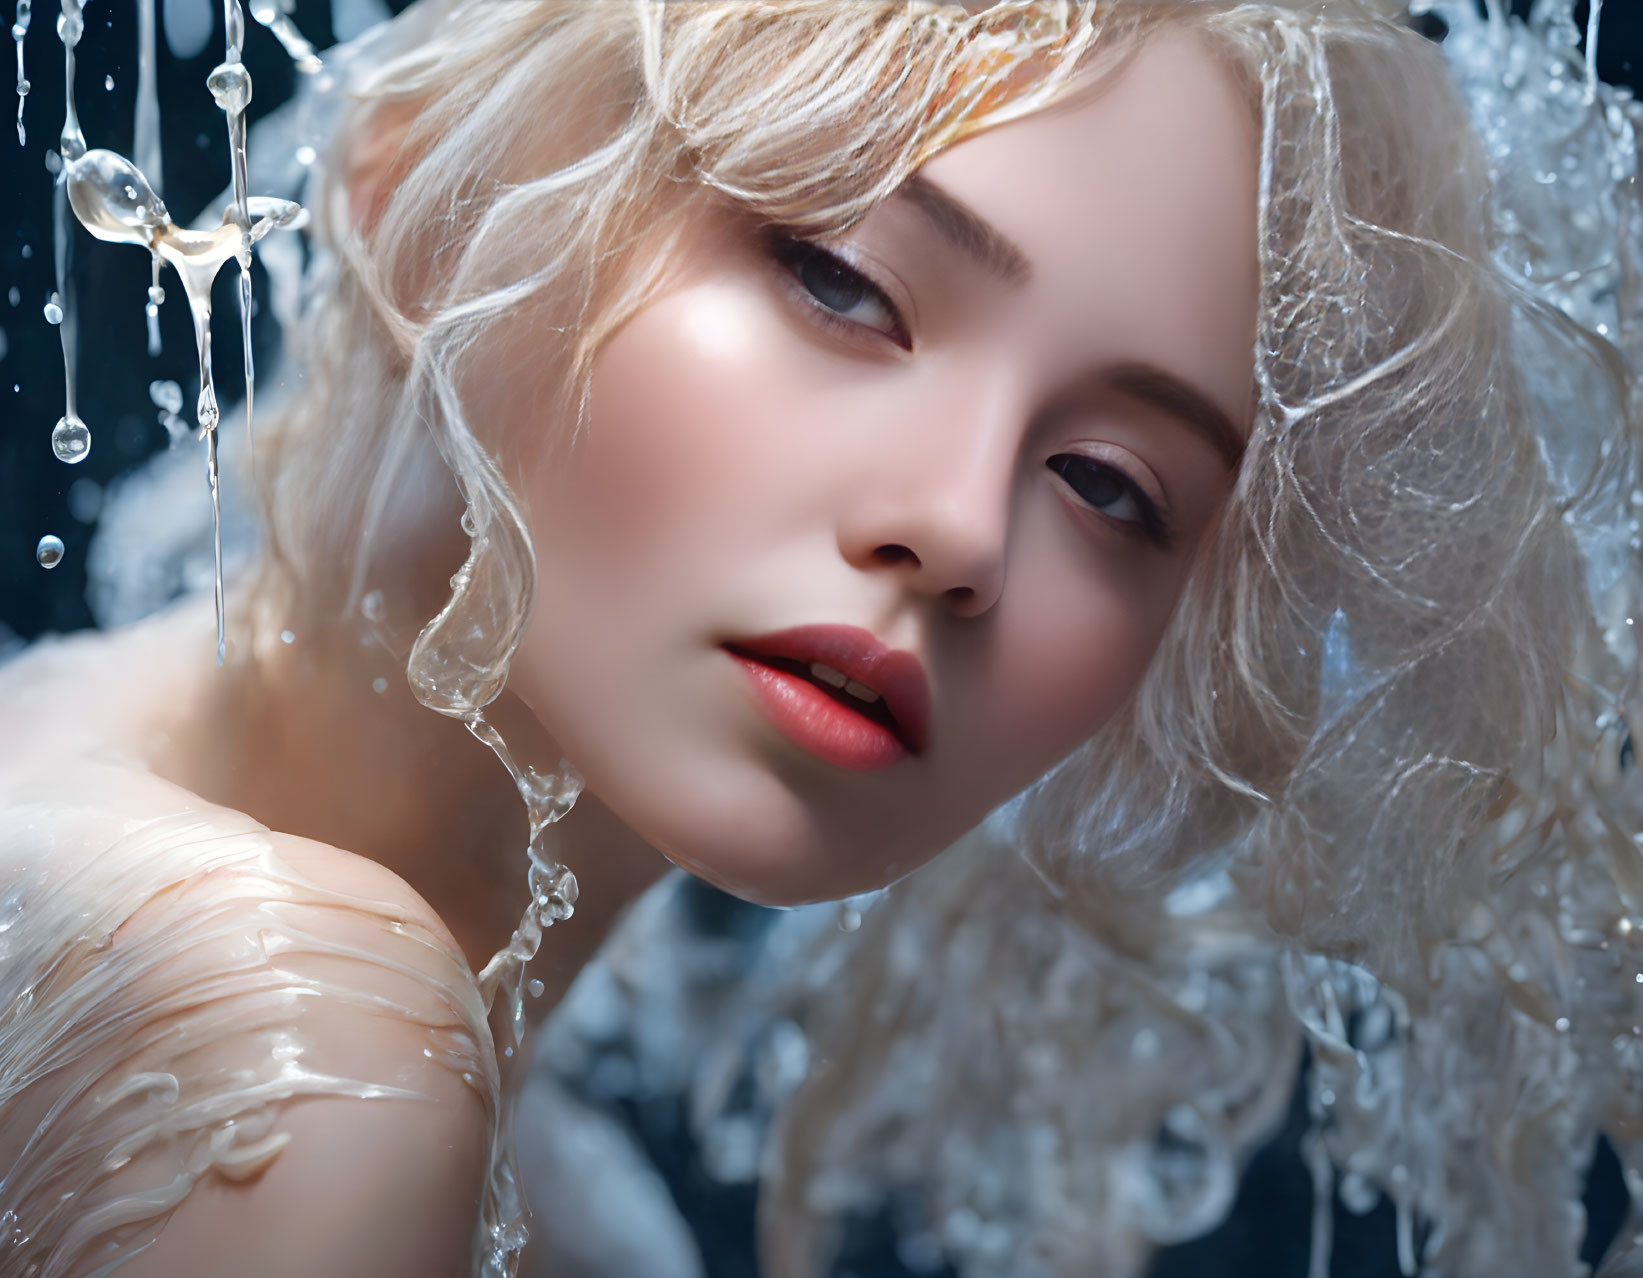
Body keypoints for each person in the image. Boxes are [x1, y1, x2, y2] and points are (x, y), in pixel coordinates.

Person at [2, 1, 1638, 1275]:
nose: (964, 528)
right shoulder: (306, 1060)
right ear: (426, 202)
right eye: (842, 281)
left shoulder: (536, 1166)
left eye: (1111, 485)